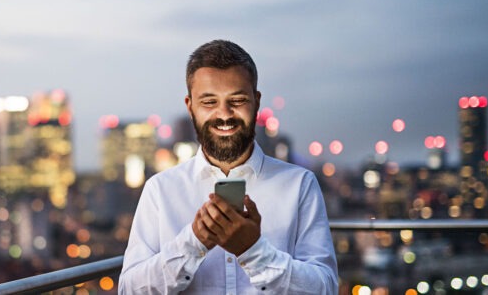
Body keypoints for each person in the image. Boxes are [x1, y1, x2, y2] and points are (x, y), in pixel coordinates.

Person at [119, 40, 338, 294]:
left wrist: (254, 251)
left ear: (256, 101)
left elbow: (326, 289)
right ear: (190, 106)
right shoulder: (160, 190)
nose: (224, 114)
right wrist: (194, 242)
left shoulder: (300, 185)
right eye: (209, 102)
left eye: (237, 99)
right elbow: (129, 290)